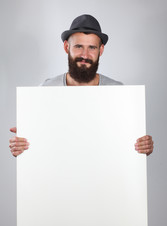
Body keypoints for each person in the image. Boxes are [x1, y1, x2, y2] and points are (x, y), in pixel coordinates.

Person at [9, 14, 154, 157]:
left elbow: (128, 147)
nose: (85, 55)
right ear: (67, 47)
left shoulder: (119, 93)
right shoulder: (44, 91)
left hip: (105, 179)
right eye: (79, 46)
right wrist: (22, 146)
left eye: (92, 47)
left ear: (101, 50)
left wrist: (142, 146)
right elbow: (36, 148)